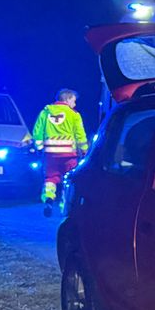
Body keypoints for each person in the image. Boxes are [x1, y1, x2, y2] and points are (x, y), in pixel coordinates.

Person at [32, 89, 88, 217]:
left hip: (50, 154)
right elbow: (80, 134)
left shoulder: (45, 112)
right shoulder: (74, 115)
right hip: (69, 155)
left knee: (50, 179)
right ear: (67, 99)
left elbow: (37, 132)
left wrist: (39, 147)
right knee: (68, 180)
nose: (75, 104)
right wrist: (85, 150)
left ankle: (49, 199)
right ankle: (65, 206)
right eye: (74, 101)